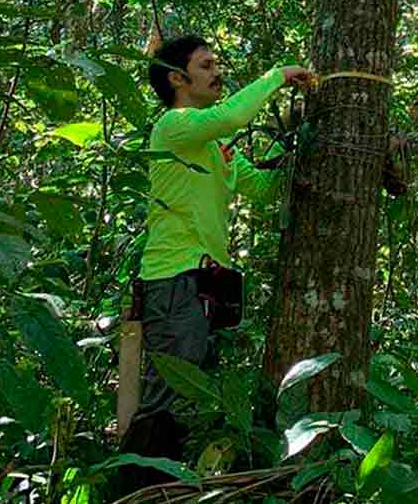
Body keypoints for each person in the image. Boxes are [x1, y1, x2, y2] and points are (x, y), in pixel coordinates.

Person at [118, 36, 313, 487]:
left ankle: (162, 489)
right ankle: (132, 491)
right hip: (174, 278)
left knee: (187, 400)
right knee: (167, 397)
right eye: (205, 66)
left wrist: (294, 142)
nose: (216, 73)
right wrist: (278, 76)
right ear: (177, 78)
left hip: (204, 283)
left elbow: (260, 189)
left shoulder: (214, 144)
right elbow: (231, 115)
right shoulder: (175, 126)